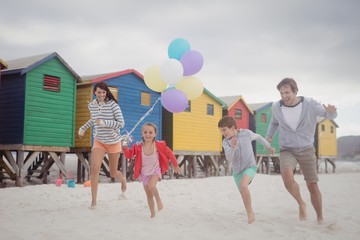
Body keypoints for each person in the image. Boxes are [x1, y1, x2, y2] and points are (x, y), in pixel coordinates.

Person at [266, 78, 337, 224]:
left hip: (306, 149)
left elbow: (327, 115)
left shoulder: (310, 104)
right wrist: (268, 137)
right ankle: (301, 203)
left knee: (312, 185)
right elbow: (274, 123)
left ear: (295, 91)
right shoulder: (276, 107)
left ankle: (319, 218)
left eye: (287, 92)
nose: (284, 96)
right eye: (281, 93)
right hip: (287, 149)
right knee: (287, 177)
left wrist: (332, 112)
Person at [78, 81, 127, 209]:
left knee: (112, 173)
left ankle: (123, 180)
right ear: (95, 92)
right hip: (99, 140)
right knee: (94, 168)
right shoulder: (92, 105)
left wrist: (104, 122)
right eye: (99, 92)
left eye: (103, 92)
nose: (101, 94)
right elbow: (94, 120)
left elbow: (121, 124)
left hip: (114, 142)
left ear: (106, 93)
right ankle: (93, 202)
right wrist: (82, 129)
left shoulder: (113, 105)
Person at [218, 116, 275, 224]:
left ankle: (250, 214)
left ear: (233, 127)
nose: (223, 133)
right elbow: (229, 158)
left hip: (249, 167)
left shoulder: (246, 133)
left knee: (244, 186)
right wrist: (233, 148)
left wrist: (269, 146)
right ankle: (250, 211)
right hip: (237, 172)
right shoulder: (226, 142)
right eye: (221, 131)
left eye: (224, 129)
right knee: (243, 193)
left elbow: (258, 137)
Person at [122, 122, 180, 218]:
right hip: (144, 173)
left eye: (150, 132)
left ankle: (159, 200)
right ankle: (152, 213)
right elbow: (129, 155)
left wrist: (175, 164)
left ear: (155, 134)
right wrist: (125, 147)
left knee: (151, 186)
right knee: (148, 196)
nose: (148, 135)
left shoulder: (159, 145)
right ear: (142, 134)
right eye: (145, 132)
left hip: (155, 171)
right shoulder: (138, 146)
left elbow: (169, 153)